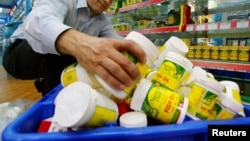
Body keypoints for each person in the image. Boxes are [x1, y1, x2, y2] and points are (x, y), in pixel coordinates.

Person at [3, 0, 146, 96]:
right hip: (18, 53)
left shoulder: (103, 21)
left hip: (53, 63)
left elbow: (117, 42)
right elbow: (38, 20)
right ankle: (54, 110)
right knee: (61, 50)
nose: (107, 1)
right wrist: (79, 44)